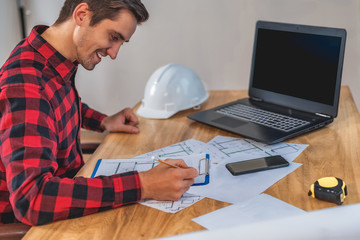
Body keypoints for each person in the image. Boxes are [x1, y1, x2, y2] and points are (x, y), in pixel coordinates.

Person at [0, 0, 198, 226]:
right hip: (32, 219)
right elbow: (32, 199)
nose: (114, 53)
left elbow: (51, 106)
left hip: (71, 184)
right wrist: (144, 185)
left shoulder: (46, 57)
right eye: (113, 37)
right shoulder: (26, 82)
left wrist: (102, 121)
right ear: (82, 15)